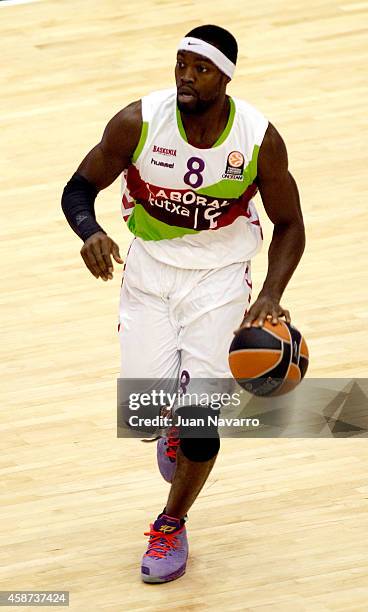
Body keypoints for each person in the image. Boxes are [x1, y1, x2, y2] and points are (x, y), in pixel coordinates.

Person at [62, 24, 305, 583]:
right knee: (144, 415)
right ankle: (170, 414)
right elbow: (77, 189)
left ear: (226, 78)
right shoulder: (138, 121)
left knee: (202, 423)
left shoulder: (258, 137)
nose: (186, 78)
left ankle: (171, 522)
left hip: (219, 281)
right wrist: (88, 231)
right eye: (180, 65)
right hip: (149, 272)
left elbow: (291, 225)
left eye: (201, 69)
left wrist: (270, 294)